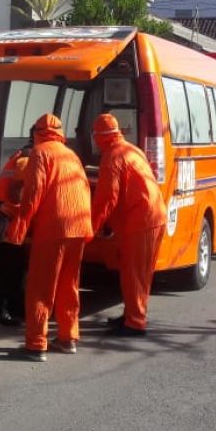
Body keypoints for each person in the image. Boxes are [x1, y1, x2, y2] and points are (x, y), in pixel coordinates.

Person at [4, 113, 93, 362]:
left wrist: (18, 229)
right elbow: (84, 189)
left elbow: (33, 194)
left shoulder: (40, 154)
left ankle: (36, 344)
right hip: (78, 226)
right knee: (69, 284)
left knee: (41, 287)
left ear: (37, 133)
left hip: (54, 228)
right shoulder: (71, 154)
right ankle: (67, 338)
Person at [90, 113, 168, 336]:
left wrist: (91, 228)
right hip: (151, 215)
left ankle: (134, 322)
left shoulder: (112, 157)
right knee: (138, 273)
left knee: (133, 273)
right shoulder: (131, 150)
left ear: (99, 136)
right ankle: (133, 314)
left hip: (141, 219)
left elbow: (107, 198)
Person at [0, 146, 30, 326]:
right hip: (8, 222)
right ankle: (0, 311)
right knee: (10, 269)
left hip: (0, 219)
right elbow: (16, 194)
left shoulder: (17, 158)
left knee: (7, 268)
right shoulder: (25, 161)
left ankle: (10, 309)